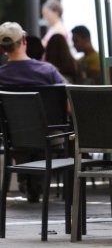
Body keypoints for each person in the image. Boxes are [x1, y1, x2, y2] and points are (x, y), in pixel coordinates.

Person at [0, 21, 66, 202]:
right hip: (48, 133)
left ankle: (26, 175)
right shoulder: (47, 71)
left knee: (21, 136)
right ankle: (35, 181)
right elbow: (68, 103)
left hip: (14, 136)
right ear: (24, 41)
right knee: (48, 135)